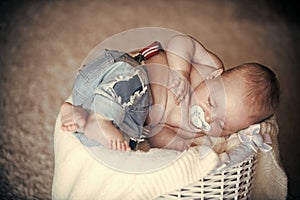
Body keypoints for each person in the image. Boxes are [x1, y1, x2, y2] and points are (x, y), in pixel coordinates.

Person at [60, 35, 280, 151]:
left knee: (126, 142)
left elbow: (156, 134)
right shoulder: (209, 67)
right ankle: (100, 116)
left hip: (109, 106)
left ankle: (82, 118)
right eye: (212, 102)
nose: (209, 117)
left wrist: (176, 145)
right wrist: (180, 72)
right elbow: (181, 42)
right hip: (114, 73)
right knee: (134, 80)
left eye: (222, 126)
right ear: (216, 77)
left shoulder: (192, 131)